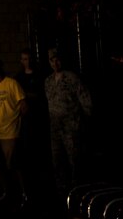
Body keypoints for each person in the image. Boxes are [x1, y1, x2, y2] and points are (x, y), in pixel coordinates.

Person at [44, 47, 93, 197]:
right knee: (57, 160)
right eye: (52, 60)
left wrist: (86, 121)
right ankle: (62, 191)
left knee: (75, 160)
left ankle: (78, 190)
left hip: (71, 126)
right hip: (55, 127)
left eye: (57, 59)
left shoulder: (72, 78)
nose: (55, 63)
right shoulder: (48, 81)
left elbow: (85, 100)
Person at [0, 55, 28, 208]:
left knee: (13, 164)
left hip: (10, 132)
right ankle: (6, 192)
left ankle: (24, 193)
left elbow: (23, 105)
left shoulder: (11, 84)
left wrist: (18, 123)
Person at [15, 48, 51, 197]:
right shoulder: (18, 77)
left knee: (40, 149)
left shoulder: (41, 76)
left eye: (29, 58)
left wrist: (29, 96)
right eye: (24, 59)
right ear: (21, 61)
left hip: (39, 118)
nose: (27, 61)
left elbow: (43, 95)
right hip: (26, 120)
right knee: (27, 149)